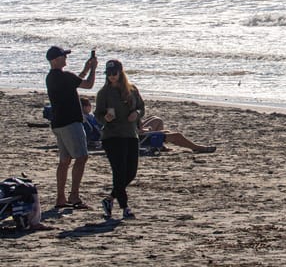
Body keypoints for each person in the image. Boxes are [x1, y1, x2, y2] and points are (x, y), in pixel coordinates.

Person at [45, 45, 98, 209]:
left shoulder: (51, 77)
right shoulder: (64, 76)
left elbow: (75, 82)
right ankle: (74, 195)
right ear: (55, 60)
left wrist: (86, 68)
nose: (65, 58)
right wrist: (93, 69)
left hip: (58, 123)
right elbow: (88, 84)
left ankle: (61, 198)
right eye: (63, 56)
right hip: (70, 123)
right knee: (81, 157)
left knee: (65, 161)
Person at [95, 59, 144, 220]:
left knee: (131, 172)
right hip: (112, 136)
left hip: (130, 134)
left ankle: (110, 199)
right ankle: (125, 207)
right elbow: (98, 114)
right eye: (108, 74)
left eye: (114, 73)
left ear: (120, 73)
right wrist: (105, 118)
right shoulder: (104, 93)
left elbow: (141, 107)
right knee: (119, 171)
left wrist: (137, 114)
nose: (112, 76)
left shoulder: (132, 89)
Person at [139, 115, 216, 153]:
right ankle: (197, 148)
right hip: (140, 138)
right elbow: (138, 132)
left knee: (157, 120)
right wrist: (148, 130)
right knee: (177, 136)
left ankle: (160, 146)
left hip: (138, 133)